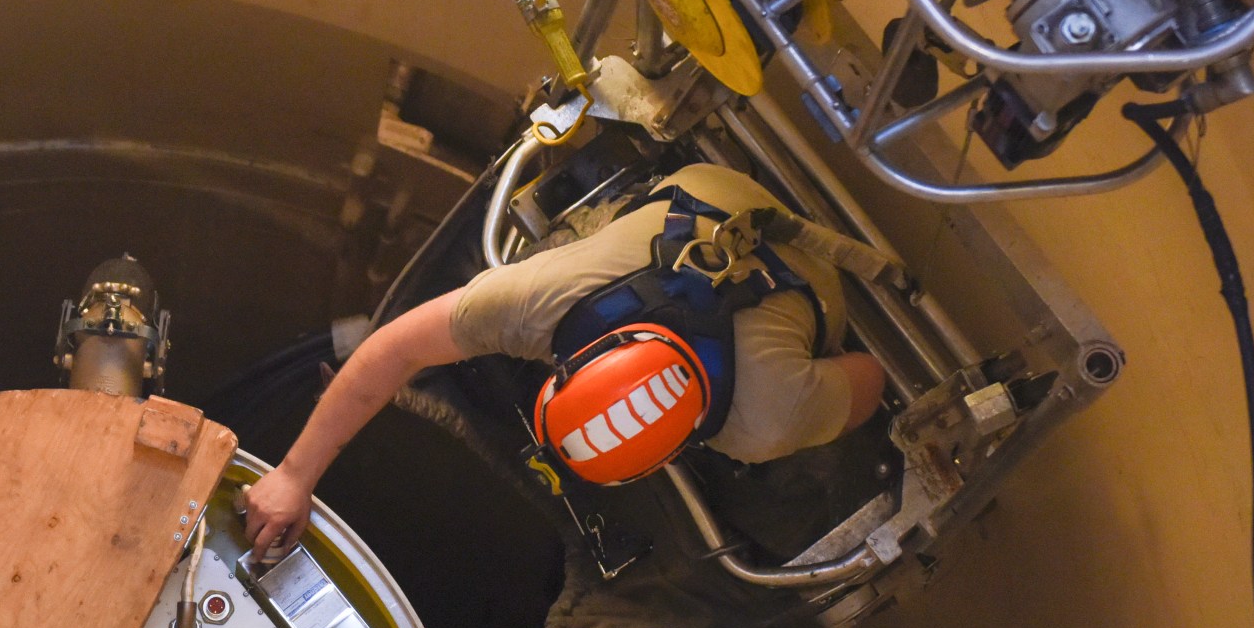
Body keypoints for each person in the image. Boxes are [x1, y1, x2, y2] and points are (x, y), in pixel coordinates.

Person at [242, 161, 885, 557]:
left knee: (803, 466)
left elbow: (871, 378)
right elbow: (394, 346)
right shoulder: (759, 420)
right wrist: (293, 477)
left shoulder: (760, 424)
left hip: (773, 238)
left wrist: (297, 479)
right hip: (751, 224)